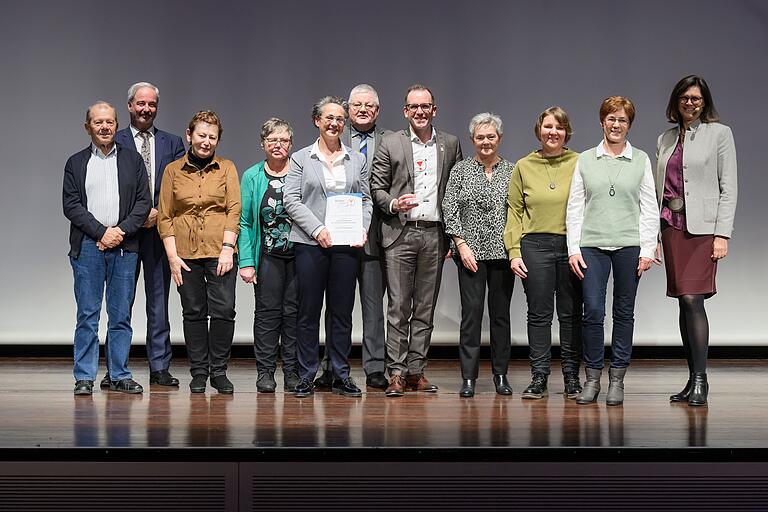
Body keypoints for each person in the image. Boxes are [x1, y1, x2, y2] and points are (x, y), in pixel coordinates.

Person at [566, 96, 659, 406]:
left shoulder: (641, 159)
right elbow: (575, 205)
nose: (616, 124)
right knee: (592, 311)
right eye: (611, 118)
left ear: (629, 125)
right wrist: (572, 249)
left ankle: (617, 379)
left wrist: (647, 248)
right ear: (602, 121)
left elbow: (649, 206)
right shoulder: (586, 159)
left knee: (624, 312)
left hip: (629, 246)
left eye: (622, 120)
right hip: (591, 245)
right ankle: (592, 378)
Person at [370, 84, 462, 397]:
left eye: (425, 106)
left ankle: (415, 371)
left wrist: (454, 235)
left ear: (434, 110)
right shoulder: (390, 142)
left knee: (425, 307)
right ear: (405, 111)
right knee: (398, 307)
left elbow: (455, 192)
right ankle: (395, 372)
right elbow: (377, 188)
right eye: (414, 107)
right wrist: (395, 204)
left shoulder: (449, 144)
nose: (420, 112)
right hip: (400, 233)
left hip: (435, 234)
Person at [656, 75, 737, 406]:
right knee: (682, 301)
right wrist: (652, 237)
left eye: (696, 98)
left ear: (705, 102)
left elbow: (728, 186)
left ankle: (701, 380)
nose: (690, 103)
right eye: (685, 98)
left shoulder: (720, 134)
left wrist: (722, 233)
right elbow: (657, 189)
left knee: (693, 299)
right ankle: (691, 379)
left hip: (703, 230)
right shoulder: (664, 138)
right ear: (676, 101)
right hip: (671, 227)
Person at [283, 96, 372, 398]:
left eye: (339, 119)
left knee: (342, 312)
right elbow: (291, 200)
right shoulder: (301, 158)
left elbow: (366, 199)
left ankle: (339, 372)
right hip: (311, 244)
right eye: (328, 118)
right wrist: (318, 229)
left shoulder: (355, 158)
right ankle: (307, 374)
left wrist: (362, 227)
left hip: (346, 246)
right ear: (317, 121)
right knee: (308, 311)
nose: (334, 123)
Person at [63, 101, 151, 395]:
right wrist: (101, 233)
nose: (105, 127)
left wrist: (119, 232)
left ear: (116, 125)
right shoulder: (75, 162)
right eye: (98, 122)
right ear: (87, 127)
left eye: (110, 122)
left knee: (120, 315)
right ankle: (84, 377)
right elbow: (71, 205)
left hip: (125, 246)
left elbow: (143, 204)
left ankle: (119, 375)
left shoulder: (132, 160)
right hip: (88, 246)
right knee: (87, 314)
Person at [106, 81, 185, 390]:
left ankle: (160, 368)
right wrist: (137, 216)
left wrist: (157, 212)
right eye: (141, 103)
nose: (146, 109)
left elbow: (179, 186)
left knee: (157, 304)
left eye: (151, 104)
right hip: (124, 233)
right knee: (120, 305)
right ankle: (116, 370)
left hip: (158, 232)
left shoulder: (173, 142)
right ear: (129, 106)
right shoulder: (116, 139)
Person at [157, 110, 241, 394]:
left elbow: (234, 209)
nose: (206, 142)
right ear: (189, 135)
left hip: (221, 250)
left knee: (224, 311)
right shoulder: (172, 170)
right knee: (193, 312)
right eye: (201, 135)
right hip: (184, 253)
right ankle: (199, 372)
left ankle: (219, 371)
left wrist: (228, 249)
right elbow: (165, 216)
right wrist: (172, 257)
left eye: (212, 137)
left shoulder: (227, 167)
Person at [314, 84, 391, 391]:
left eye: (368, 105)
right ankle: (332, 366)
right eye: (356, 105)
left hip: (376, 235)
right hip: (337, 237)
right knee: (336, 306)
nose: (361, 109)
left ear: (377, 110)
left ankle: (374, 368)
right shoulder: (334, 135)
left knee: (373, 306)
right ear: (346, 109)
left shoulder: (392, 140)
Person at [504, 107, 583, 400]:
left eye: (559, 127)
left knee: (571, 314)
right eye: (548, 127)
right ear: (539, 131)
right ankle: (539, 377)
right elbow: (514, 211)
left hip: (571, 246)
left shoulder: (580, 162)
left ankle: (572, 377)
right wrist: (514, 251)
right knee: (539, 314)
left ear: (566, 132)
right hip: (534, 246)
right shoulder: (524, 166)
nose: (553, 132)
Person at [443, 113, 515, 398]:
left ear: (499, 138)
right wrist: (460, 244)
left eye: (491, 136)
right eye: (480, 137)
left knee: (500, 317)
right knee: (471, 317)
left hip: (502, 254)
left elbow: (518, 211)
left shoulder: (512, 170)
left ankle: (500, 375)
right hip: (469, 253)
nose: (486, 142)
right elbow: (449, 207)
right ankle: (469, 377)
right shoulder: (460, 171)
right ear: (472, 140)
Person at [238, 118, 300, 393]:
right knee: (267, 315)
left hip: (300, 256)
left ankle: (292, 371)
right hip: (268, 256)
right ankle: (265, 372)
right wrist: (247, 262)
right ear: (263, 144)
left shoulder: (301, 172)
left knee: (294, 314)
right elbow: (246, 222)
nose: (278, 145)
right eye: (272, 140)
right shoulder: (252, 176)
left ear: (291, 144)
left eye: (283, 140)